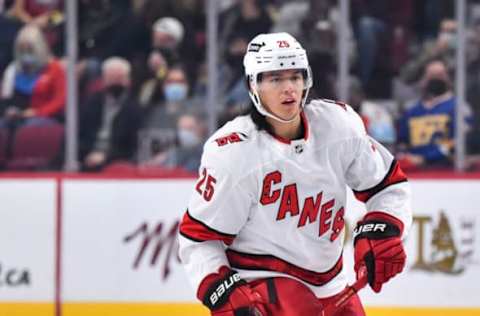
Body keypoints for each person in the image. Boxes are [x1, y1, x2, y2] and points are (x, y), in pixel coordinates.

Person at [178, 32, 412, 316]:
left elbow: (388, 186)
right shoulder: (233, 152)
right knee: (294, 302)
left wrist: (384, 226)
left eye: (295, 77)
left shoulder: (340, 126)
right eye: (275, 79)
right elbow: (198, 238)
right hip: (260, 283)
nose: (289, 88)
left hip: (330, 283)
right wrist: (220, 289)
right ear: (254, 85)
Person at [397, 59, 471, 170]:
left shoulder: (459, 107)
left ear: (448, 78)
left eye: (440, 75)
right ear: (423, 79)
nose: (436, 79)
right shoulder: (411, 110)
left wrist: (426, 158)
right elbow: (402, 141)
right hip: (414, 170)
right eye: (432, 75)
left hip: (446, 169)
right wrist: (405, 156)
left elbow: (461, 140)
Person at [79, 57, 141, 171]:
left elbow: (133, 147)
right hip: (87, 158)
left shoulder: (135, 109)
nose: (115, 82)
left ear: (128, 80)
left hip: (118, 162)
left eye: (119, 78)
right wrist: (87, 155)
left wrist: (106, 157)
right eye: (112, 78)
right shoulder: (91, 104)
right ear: (104, 79)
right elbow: (79, 136)